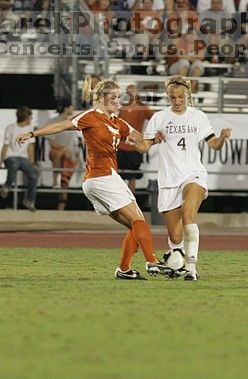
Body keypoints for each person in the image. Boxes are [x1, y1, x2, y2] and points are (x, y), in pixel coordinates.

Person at [15, 78, 171, 280]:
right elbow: (61, 125)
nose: (118, 101)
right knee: (139, 221)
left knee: (136, 225)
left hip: (103, 179)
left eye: (118, 97)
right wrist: (32, 133)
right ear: (101, 98)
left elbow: (141, 145)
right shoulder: (91, 117)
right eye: (113, 97)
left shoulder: (119, 122)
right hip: (101, 177)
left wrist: (154, 140)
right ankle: (152, 261)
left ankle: (124, 270)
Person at [130, 75, 232, 281]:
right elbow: (144, 147)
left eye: (181, 97)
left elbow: (213, 144)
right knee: (175, 237)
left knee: (188, 215)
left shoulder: (198, 117)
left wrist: (221, 137)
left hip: (193, 174)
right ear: (168, 97)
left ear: (187, 96)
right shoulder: (159, 118)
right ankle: (177, 259)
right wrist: (136, 141)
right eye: (172, 98)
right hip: (169, 181)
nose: (177, 102)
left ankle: (192, 270)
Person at [0, 106, 39, 212]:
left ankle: (29, 200)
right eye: (30, 117)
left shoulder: (30, 129)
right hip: (11, 157)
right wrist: (0, 162)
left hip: (23, 158)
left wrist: (32, 162)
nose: (31, 119)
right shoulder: (11, 128)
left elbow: (30, 146)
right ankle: (7, 185)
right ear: (25, 117)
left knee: (34, 175)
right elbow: (5, 146)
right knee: (14, 165)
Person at [43, 101, 80, 210]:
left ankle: (61, 210)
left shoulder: (72, 122)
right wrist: (64, 149)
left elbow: (74, 142)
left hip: (69, 156)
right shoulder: (53, 122)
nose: (73, 108)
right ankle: (55, 180)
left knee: (65, 183)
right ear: (66, 108)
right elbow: (51, 142)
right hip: (57, 154)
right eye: (71, 106)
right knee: (58, 153)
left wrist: (76, 155)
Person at [118, 85, 154, 192]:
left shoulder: (142, 107)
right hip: (121, 146)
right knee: (119, 175)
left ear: (137, 92)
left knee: (133, 176)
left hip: (135, 147)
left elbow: (154, 119)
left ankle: (131, 201)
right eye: (128, 91)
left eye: (133, 91)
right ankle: (121, 201)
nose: (131, 93)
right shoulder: (122, 107)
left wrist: (149, 137)